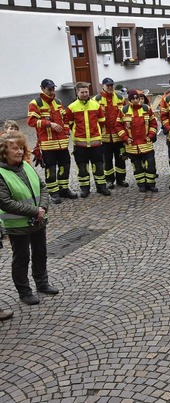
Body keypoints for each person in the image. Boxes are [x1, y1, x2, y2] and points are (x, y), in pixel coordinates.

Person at [0, 131, 58, 306]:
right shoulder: (1, 173)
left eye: (21, 148)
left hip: (38, 220)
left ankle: (42, 283)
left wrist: (43, 208)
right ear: (4, 152)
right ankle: (24, 292)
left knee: (40, 253)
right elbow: (5, 202)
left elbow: (42, 187)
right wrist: (35, 211)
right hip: (18, 225)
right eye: (14, 149)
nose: (19, 152)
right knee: (22, 258)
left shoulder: (26, 166)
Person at [27, 79, 77, 204]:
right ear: (42, 88)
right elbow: (31, 121)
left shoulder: (58, 102)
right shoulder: (35, 103)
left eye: (53, 89)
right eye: (49, 89)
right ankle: (53, 193)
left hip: (62, 143)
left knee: (65, 166)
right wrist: (49, 124)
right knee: (51, 169)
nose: (52, 91)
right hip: (48, 144)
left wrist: (66, 133)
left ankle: (64, 189)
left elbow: (65, 119)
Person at [66, 82, 111, 198]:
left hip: (96, 143)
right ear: (77, 92)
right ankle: (85, 189)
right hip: (80, 144)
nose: (85, 94)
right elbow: (70, 124)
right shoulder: (71, 107)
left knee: (99, 167)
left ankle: (101, 187)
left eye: (86, 92)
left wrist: (97, 134)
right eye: (82, 92)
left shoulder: (96, 105)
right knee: (82, 168)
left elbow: (102, 122)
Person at [116, 89, 158, 193]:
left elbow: (153, 123)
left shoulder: (146, 108)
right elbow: (118, 126)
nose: (135, 100)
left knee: (150, 165)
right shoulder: (123, 111)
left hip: (146, 143)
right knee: (137, 167)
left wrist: (151, 135)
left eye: (137, 98)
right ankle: (141, 185)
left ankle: (151, 184)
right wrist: (125, 138)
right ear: (129, 99)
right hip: (132, 146)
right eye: (133, 98)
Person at [94, 77, 128, 189]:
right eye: (107, 85)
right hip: (105, 137)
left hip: (119, 136)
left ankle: (121, 179)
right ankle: (109, 180)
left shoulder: (120, 98)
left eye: (111, 85)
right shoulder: (96, 100)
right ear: (102, 86)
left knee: (121, 158)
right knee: (107, 160)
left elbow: (125, 115)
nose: (110, 87)